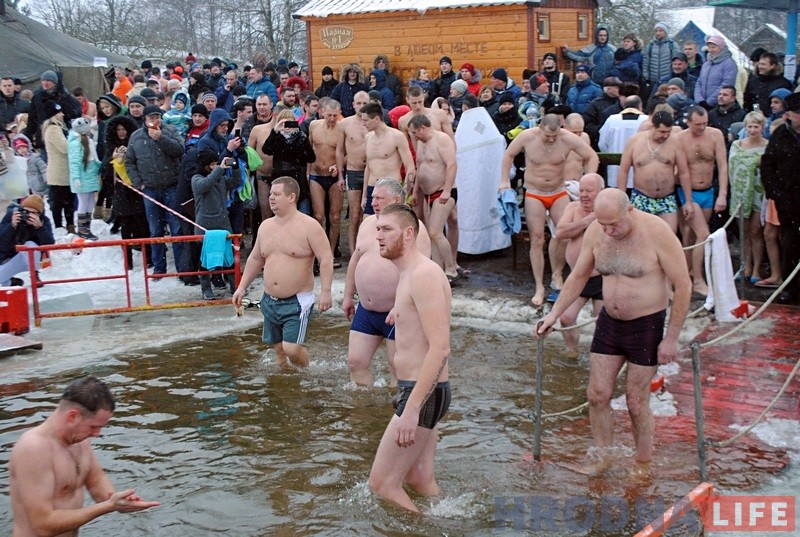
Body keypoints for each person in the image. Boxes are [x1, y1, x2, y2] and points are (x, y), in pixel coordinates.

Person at [536, 188, 692, 476]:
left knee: (635, 401)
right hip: (610, 321)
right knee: (597, 394)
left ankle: (643, 462)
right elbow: (579, 276)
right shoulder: (598, 231)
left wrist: (671, 338)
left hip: (646, 324)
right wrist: (553, 314)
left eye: (615, 224)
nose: (609, 231)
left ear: (629, 210)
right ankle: (603, 456)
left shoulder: (656, 231)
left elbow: (683, 285)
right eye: (603, 224)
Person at [367, 203, 452, 513]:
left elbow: (440, 348)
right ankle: (448, 523)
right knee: (419, 480)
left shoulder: (422, 275)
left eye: (386, 229)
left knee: (382, 484)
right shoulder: (411, 273)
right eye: (377, 229)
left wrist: (412, 409)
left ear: (408, 233)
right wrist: (401, 313)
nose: (378, 236)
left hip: (422, 393)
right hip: (426, 391)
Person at [9, 376, 159, 536]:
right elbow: (42, 525)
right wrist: (108, 506)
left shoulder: (80, 440)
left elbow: (96, 481)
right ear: (73, 416)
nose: (97, 434)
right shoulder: (34, 448)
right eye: (94, 427)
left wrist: (119, 500)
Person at [498, 114, 599, 306]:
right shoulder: (528, 136)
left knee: (564, 234)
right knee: (537, 239)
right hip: (534, 192)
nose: (551, 139)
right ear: (540, 128)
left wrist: (589, 178)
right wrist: (504, 181)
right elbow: (509, 154)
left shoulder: (568, 138)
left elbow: (591, 156)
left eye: (555, 136)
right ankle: (539, 286)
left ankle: (557, 275)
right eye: (547, 136)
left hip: (558, 190)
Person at [232, 176, 333, 367]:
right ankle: (285, 385)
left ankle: (307, 373)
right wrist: (242, 287)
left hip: (297, 300)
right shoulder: (266, 226)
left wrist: (326, 291)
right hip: (270, 299)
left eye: (276, 194)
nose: (271, 198)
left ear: (291, 197)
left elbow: (326, 259)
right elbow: (255, 258)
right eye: (270, 194)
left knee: (291, 349)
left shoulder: (309, 226)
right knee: (279, 350)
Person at [342, 179, 431, 386]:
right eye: (372, 197)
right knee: (355, 362)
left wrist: (400, 305)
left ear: (397, 200)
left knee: (396, 366)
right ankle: (365, 412)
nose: (373, 203)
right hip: (366, 309)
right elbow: (355, 258)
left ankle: (394, 413)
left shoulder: (414, 229)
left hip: (398, 310)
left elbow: (418, 272)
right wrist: (348, 295)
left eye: (379, 198)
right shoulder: (367, 224)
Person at [124, 105, 186, 277]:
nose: (155, 120)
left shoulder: (171, 131)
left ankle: (181, 268)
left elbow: (180, 151)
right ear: (145, 119)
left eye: (158, 117)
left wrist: (161, 139)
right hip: (150, 189)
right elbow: (129, 162)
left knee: (176, 228)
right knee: (155, 230)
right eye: (151, 117)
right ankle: (159, 269)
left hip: (171, 186)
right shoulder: (136, 137)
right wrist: (138, 183)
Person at [673, 107, 729, 296]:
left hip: (708, 190)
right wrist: (688, 200)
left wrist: (722, 193)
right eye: (698, 124)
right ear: (688, 122)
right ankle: (697, 279)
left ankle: (687, 275)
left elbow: (722, 165)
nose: (702, 127)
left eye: (705, 123)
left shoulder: (715, 135)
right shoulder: (680, 138)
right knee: (702, 234)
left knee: (692, 235)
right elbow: (683, 171)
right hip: (687, 190)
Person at [616, 110, 693, 233]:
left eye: (668, 132)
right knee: (641, 237)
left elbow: (684, 173)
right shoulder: (635, 141)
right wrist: (622, 199)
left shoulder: (675, 142)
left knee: (668, 236)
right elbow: (623, 171)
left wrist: (688, 201)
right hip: (641, 197)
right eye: (662, 132)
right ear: (653, 126)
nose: (665, 135)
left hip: (666, 198)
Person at [554, 174, 605, 354]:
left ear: (601, 192)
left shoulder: (608, 211)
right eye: (581, 190)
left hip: (602, 277)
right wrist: (587, 220)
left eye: (589, 191)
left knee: (603, 324)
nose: (584, 194)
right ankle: (573, 352)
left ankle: (599, 357)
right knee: (566, 318)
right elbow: (560, 232)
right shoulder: (573, 207)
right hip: (578, 277)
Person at [407, 114, 459, 284]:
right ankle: (438, 269)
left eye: (415, 132)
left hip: (442, 191)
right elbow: (419, 166)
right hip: (427, 193)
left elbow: (451, 164)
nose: (413, 136)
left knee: (435, 231)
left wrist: (447, 190)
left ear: (423, 128)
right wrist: (415, 192)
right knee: (432, 234)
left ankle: (451, 269)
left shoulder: (442, 139)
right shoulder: (421, 143)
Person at [761, 92, 800, 305]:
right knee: (790, 244)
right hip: (789, 199)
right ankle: (790, 288)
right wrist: (775, 193)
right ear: (789, 115)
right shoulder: (780, 135)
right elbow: (767, 165)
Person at [729, 111, 771, 286]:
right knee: (744, 233)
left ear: (762, 127)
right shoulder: (737, 145)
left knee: (756, 232)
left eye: (756, 126)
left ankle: (756, 269)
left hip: (759, 192)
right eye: (750, 126)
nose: (753, 130)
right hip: (740, 192)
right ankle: (744, 267)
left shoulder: (768, 146)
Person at [192, 150, 240, 300]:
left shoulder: (220, 178)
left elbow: (237, 183)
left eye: (215, 163)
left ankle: (235, 286)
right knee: (204, 260)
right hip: (204, 226)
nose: (214, 167)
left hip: (223, 223)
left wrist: (236, 168)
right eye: (211, 164)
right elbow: (205, 185)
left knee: (229, 258)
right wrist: (219, 168)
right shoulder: (196, 179)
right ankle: (206, 289)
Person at [361, 102, 415, 216]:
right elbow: (368, 167)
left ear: (376, 119)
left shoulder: (397, 136)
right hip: (373, 188)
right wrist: (364, 195)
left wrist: (404, 195)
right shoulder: (368, 138)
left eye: (365, 120)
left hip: (390, 189)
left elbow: (410, 167)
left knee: (390, 224)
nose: (363, 124)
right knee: (368, 224)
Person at [308, 99, 345, 265]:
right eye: (329, 115)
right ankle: (319, 252)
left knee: (335, 216)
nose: (332, 119)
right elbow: (309, 150)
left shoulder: (342, 129)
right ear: (322, 112)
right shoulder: (313, 126)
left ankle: (330, 253)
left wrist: (339, 166)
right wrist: (308, 173)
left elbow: (347, 152)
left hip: (333, 177)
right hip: (316, 175)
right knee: (318, 216)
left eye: (335, 116)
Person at [262, 109, 316, 216]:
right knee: (280, 212)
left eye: (290, 122)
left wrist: (301, 136)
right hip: (279, 176)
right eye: (284, 123)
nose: (287, 126)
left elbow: (311, 158)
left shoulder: (300, 137)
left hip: (298, 178)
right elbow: (266, 149)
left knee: (302, 211)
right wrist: (275, 131)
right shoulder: (277, 138)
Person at [336, 91, 370, 254]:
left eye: (365, 103)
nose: (362, 106)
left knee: (369, 215)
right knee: (355, 214)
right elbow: (340, 150)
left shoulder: (375, 122)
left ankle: (369, 249)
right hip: (354, 171)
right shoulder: (345, 124)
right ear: (353, 104)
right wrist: (341, 176)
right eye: (359, 103)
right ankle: (353, 252)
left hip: (373, 173)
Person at [0, 194, 54, 287]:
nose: (28, 215)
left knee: (30, 244)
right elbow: (2, 243)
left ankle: (34, 276)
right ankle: (10, 282)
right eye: (26, 211)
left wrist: (39, 228)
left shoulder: (43, 221)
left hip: (31, 258)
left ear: (39, 214)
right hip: (9, 257)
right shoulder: (12, 216)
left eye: (33, 213)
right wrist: (12, 226)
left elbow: (50, 243)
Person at [67, 118, 102, 240]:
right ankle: (82, 229)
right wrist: (76, 177)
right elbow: (74, 162)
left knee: (91, 201)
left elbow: (94, 158)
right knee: (83, 201)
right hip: (82, 176)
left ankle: (87, 227)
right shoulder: (75, 144)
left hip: (90, 174)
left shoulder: (88, 140)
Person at [694, 35, 738, 110]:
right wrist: (699, 100)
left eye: (713, 47)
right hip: (703, 105)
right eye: (709, 47)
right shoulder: (706, 64)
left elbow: (727, 84)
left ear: (721, 48)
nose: (710, 50)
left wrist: (710, 102)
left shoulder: (729, 63)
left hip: (720, 106)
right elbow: (699, 82)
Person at [641, 22, 677, 95]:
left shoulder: (672, 45)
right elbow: (646, 63)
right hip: (653, 81)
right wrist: (646, 77)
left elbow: (676, 61)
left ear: (665, 32)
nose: (658, 33)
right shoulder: (650, 46)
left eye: (660, 31)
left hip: (667, 80)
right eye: (656, 31)